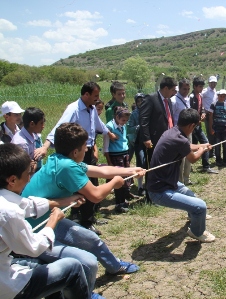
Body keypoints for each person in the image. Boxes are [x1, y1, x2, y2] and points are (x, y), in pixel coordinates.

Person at [22, 123, 144, 280]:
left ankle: (115, 267)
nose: (87, 150)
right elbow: (96, 195)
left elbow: (101, 170)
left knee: (91, 239)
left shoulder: (59, 159)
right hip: (33, 233)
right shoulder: (67, 167)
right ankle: (82, 292)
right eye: (84, 147)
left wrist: (131, 171)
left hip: (49, 218)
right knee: (84, 261)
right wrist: (114, 183)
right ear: (75, 152)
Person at [0, 143, 100, 299]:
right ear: (12, 180)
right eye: (28, 173)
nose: (29, 177)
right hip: (7, 286)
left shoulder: (5, 199)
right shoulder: (8, 212)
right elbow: (34, 248)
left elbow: (28, 205)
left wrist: (65, 200)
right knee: (72, 267)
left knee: (45, 270)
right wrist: (52, 221)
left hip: (5, 268)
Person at [37, 82, 117, 234]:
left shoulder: (92, 108)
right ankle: (82, 220)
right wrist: (46, 146)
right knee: (81, 186)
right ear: (86, 95)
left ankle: (89, 217)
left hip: (87, 152)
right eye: (95, 96)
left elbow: (98, 124)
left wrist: (109, 133)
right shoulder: (73, 109)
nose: (98, 99)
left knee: (91, 183)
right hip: (77, 153)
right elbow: (59, 128)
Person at [147, 108, 215, 243]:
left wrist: (202, 145)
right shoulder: (180, 139)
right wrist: (202, 149)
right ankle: (197, 232)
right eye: (195, 127)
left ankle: (193, 216)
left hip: (169, 182)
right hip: (159, 191)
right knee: (200, 206)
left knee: (192, 197)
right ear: (191, 125)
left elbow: (187, 146)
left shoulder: (172, 132)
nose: (194, 129)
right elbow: (193, 159)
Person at [138, 77, 177, 203]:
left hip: (168, 139)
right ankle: (150, 196)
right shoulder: (151, 98)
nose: (174, 92)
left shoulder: (169, 101)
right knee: (153, 166)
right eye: (172, 90)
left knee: (164, 166)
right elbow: (143, 119)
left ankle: (162, 191)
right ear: (165, 88)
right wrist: (147, 138)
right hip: (154, 140)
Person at [104, 106, 133, 213]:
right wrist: (109, 161)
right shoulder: (109, 127)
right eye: (123, 120)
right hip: (115, 156)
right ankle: (119, 203)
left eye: (126, 120)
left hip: (124, 154)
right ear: (117, 117)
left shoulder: (123, 125)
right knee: (118, 180)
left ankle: (124, 199)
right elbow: (106, 146)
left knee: (126, 178)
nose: (124, 122)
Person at [189, 78, 219, 174]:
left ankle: (200, 166)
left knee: (194, 144)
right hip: (192, 125)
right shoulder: (192, 97)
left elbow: (201, 107)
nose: (202, 88)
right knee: (204, 142)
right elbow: (189, 112)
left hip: (197, 124)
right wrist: (197, 119)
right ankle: (204, 166)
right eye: (200, 86)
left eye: (202, 86)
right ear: (195, 87)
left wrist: (202, 113)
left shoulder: (200, 96)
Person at [11, 107, 45, 174]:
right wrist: (36, 161)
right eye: (41, 123)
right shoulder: (21, 143)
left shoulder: (33, 134)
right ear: (32, 124)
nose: (43, 126)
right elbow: (24, 171)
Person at [172, 79, 193, 185]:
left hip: (188, 131)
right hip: (179, 132)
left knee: (189, 154)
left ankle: (187, 178)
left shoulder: (188, 98)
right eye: (184, 89)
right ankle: (179, 181)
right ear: (179, 88)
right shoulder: (174, 101)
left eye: (188, 89)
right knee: (181, 158)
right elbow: (171, 117)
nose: (186, 91)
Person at [127, 93, 145, 195]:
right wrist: (138, 127)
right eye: (139, 101)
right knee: (140, 162)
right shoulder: (134, 114)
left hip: (148, 141)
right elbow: (129, 128)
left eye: (142, 101)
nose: (141, 103)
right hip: (137, 141)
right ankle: (140, 186)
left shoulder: (148, 112)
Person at [209, 89, 226, 166]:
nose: (222, 97)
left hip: (224, 127)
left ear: (225, 97)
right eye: (220, 96)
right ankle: (218, 160)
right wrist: (211, 127)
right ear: (218, 96)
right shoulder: (213, 104)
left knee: (225, 144)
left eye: (224, 96)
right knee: (217, 144)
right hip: (216, 127)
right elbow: (211, 116)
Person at [202, 76, 218, 158]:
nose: (213, 84)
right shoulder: (205, 91)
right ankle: (210, 152)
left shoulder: (215, 91)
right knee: (210, 133)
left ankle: (213, 151)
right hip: (208, 115)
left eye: (214, 82)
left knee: (214, 133)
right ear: (209, 83)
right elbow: (199, 99)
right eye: (212, 82)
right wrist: (203, 110)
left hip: (214, 114)